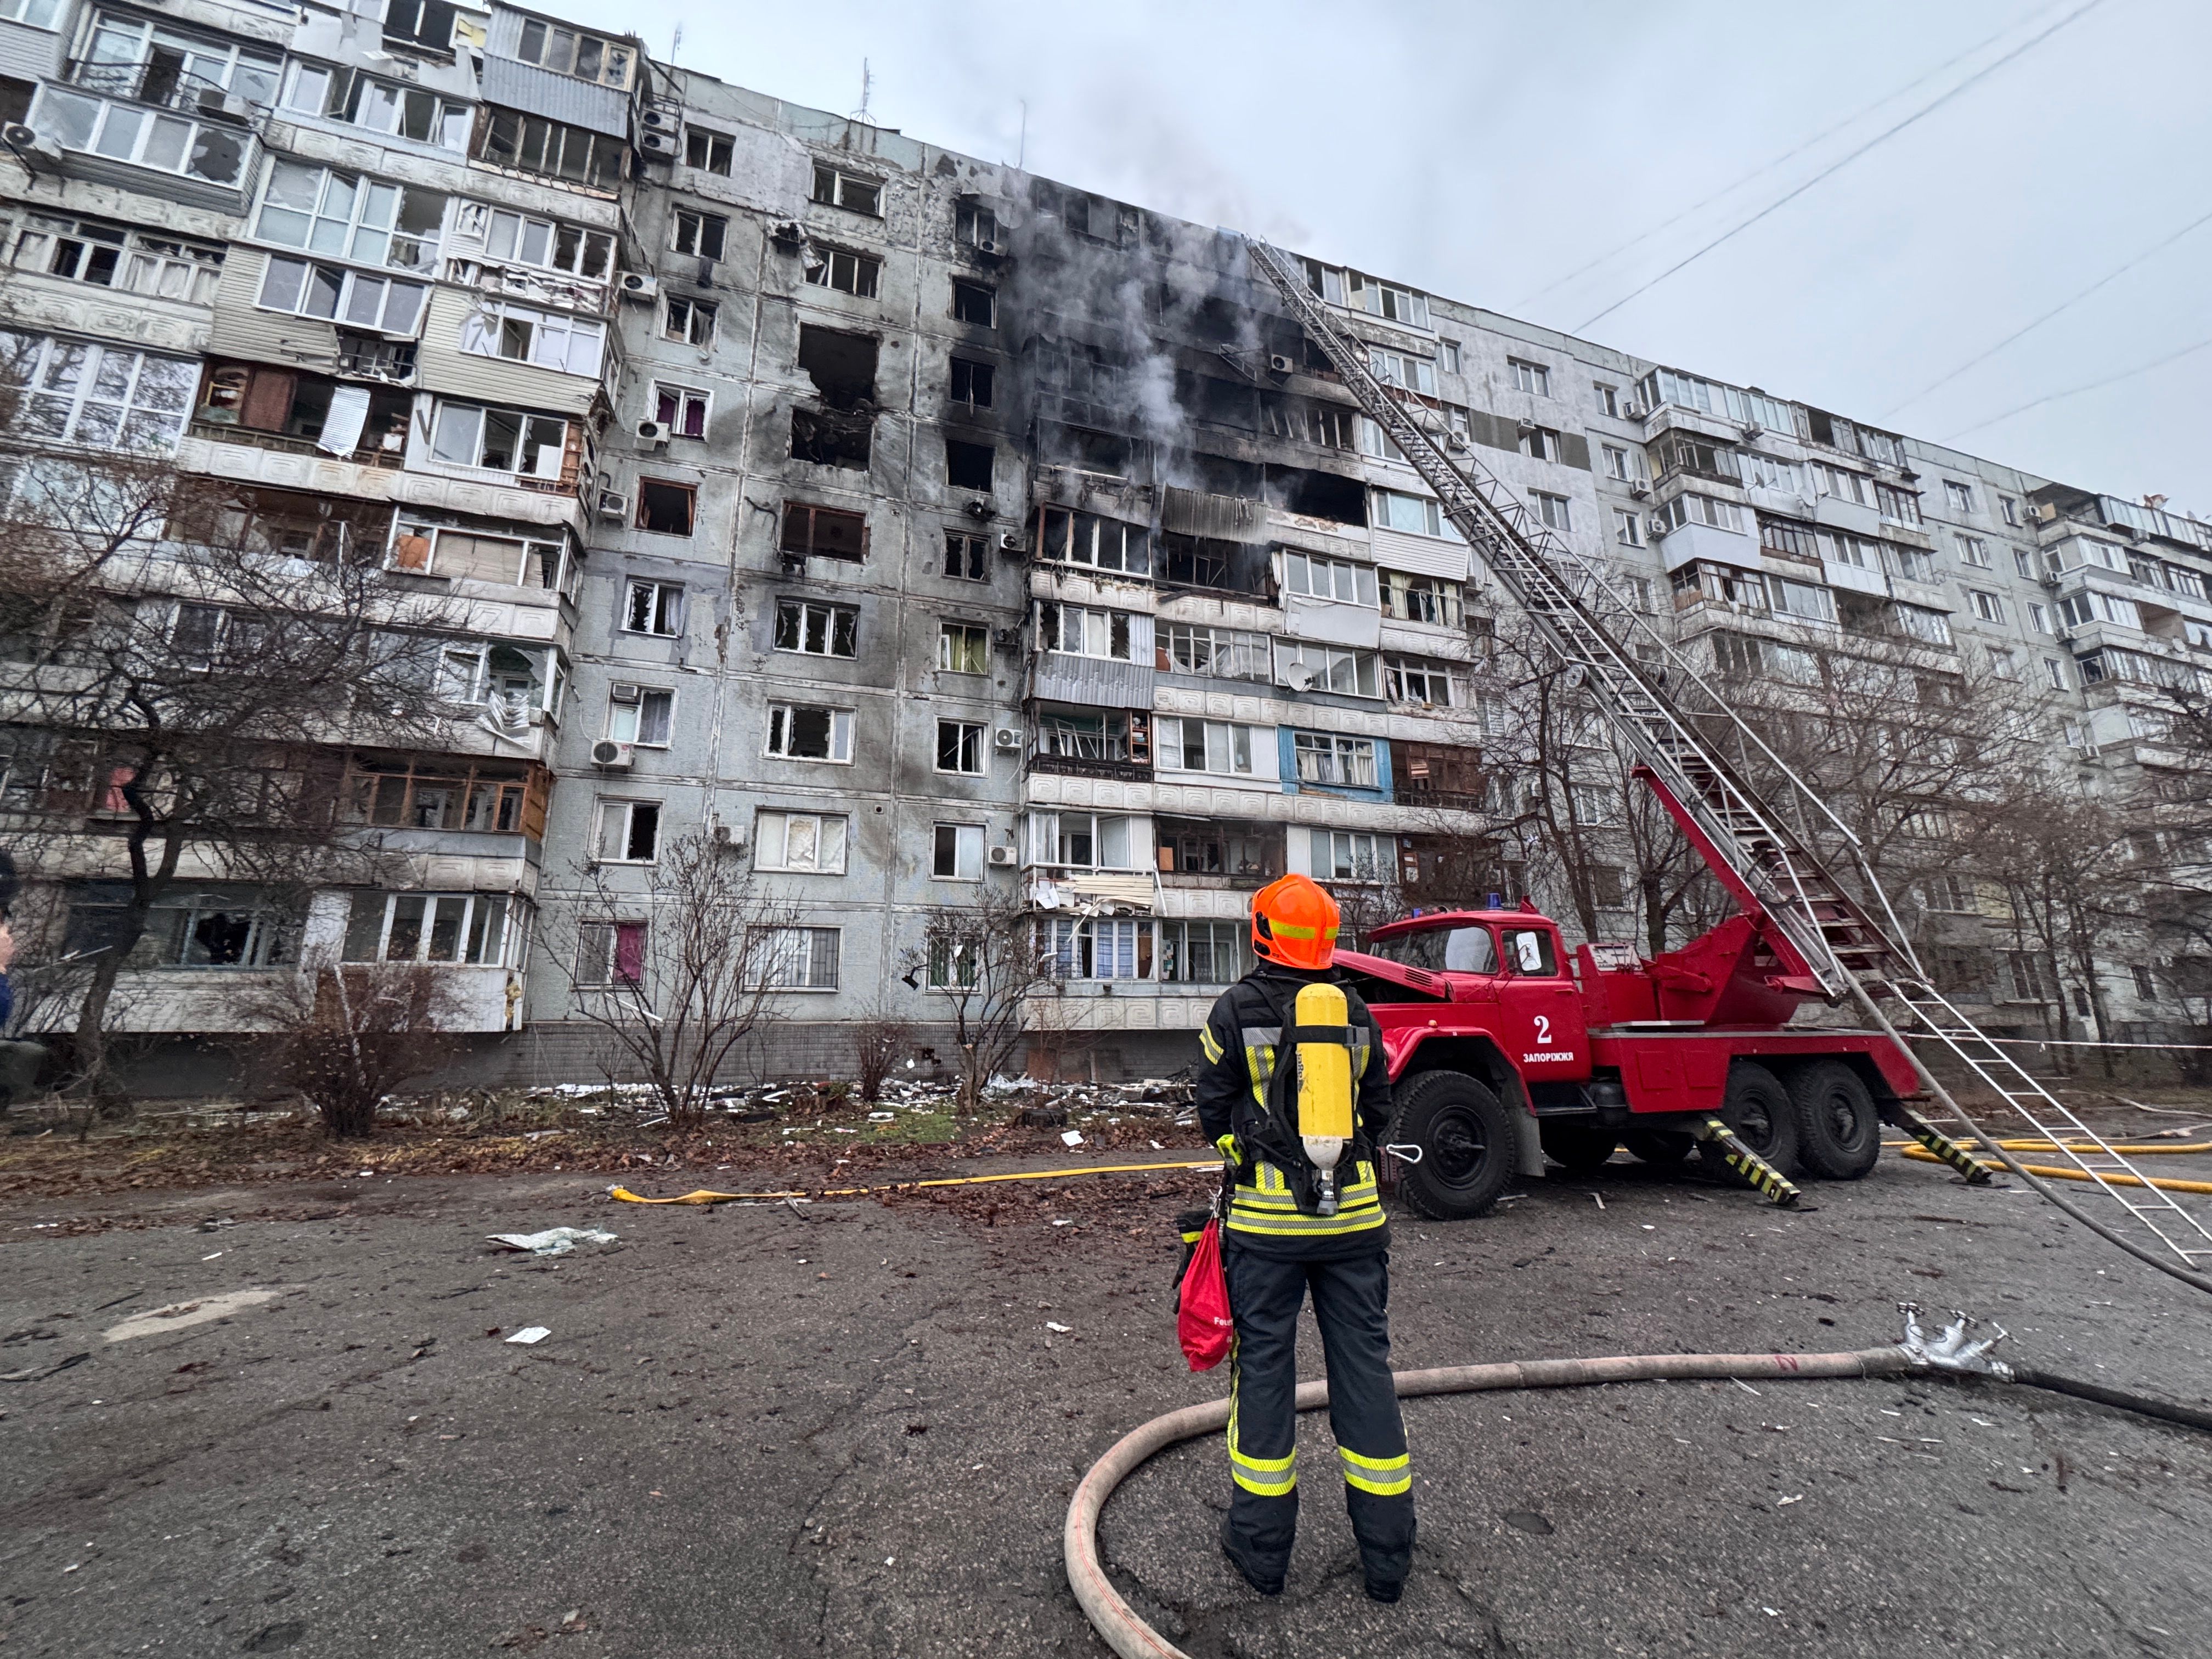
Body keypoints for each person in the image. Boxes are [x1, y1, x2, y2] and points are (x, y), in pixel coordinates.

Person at [1195, 873, 1413, 1602]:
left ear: (1262, 933)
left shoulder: (1234, 1010)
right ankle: (1387, 1560)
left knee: (1264, 1375)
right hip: (1353, 1226)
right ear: (1327, 938)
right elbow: (1379, 1109)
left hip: (1265, 1233)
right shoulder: (1355, 1013)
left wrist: (1248, 1150)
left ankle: (1261, 1554)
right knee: (1365, 1374)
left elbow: (1211, 1111)